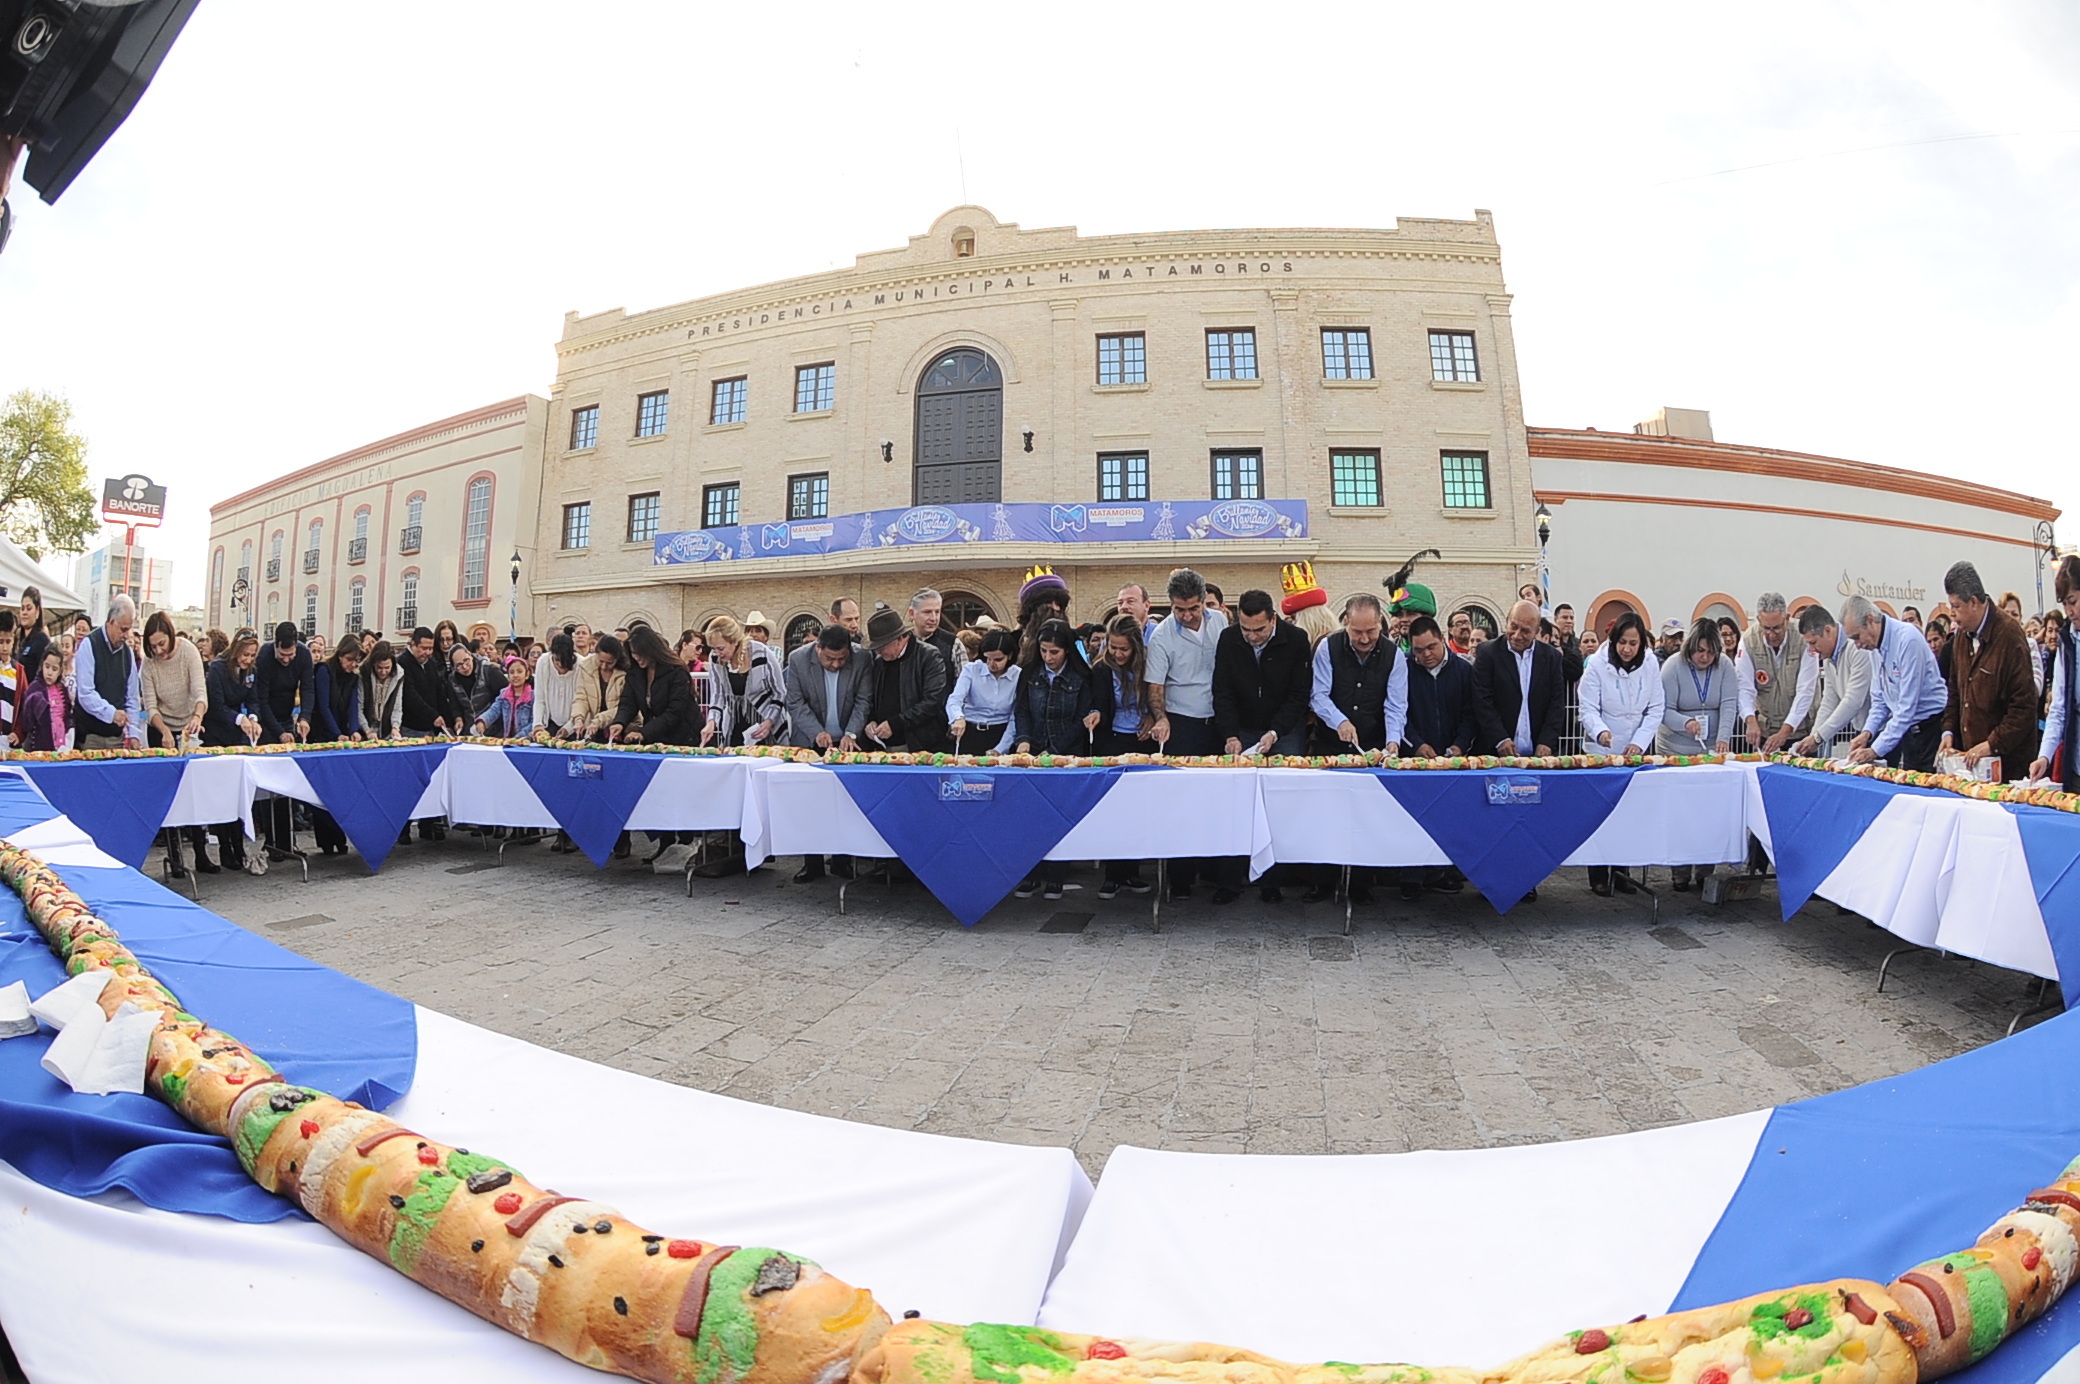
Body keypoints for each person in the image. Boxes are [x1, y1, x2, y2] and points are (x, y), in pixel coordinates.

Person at [1304, 592, 1406, 906]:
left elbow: (1396, 704)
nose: (1364, 639)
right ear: (1346, 623)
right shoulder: (1327, 647)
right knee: (1324, 814)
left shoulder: (1394, 655)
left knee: (1365, 815)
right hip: (1329, 743)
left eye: (1371, 632)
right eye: (1357, 632)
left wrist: (1393, 742)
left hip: (1371, 746)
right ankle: (1322, 881)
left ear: (1381, 626)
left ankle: (1361, 883)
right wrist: (1340, 721)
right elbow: (1318, 695)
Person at [1212, 589, 1311, 902]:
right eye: (1246, 629)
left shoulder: (1296, 640)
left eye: (1259, 629)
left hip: (1284, 728)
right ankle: (1230, 880)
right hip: (1240, 726)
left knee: (1280, 801)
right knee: (1234, 801)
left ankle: (1273, 880)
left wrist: (1275, 732)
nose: (1252, 636)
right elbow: (1222, 690)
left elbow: (1299, 695)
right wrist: (1230, 733)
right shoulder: (1229, 640)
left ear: (1274, 620)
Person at [1006, 619, 1095, 901]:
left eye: (1054, 652)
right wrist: (1023, 739)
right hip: (1031, 753)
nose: (1048, 657)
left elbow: (1080, 721)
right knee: (1028, 817)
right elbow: (1021, 710)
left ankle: (1057, 875)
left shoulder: (1081, 678)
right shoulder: (1030, 673)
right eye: (1044, 651)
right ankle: (1031, 875)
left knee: (1059, 815)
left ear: (1067, 650)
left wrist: (1055, 749)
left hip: (1065, 755)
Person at [1577, 612, 1662, 895]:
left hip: (1634, 748)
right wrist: (1600, 731)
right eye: (1622, 642)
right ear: (1613, 641)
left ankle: (1623, 870)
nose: (1627, 649)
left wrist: (1639, 741)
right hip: (1602, 747)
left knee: (1629, 811)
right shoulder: (1598, 665)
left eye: (1633, 643)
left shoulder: (1650, 664)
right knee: (1600, 812)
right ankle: (1598, 873)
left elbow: (1655, 708)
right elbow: (1587, 706)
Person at [783, 624, 875, 884]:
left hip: (848, 741)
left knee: (845, 802)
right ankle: (811, 863)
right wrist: (816, 732)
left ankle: (841, 860)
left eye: (841, 659)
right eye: (829, 659)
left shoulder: (862, 658)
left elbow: (863, 700)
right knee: (810, 804)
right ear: (818, 648)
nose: (836, 664)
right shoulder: (798, 659)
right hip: (810, 741)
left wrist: (852, 733)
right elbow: (795, 703)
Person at [1658, 618, 1738, 891]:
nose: (1705, 657)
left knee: (1708, 812)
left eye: (1711, 652)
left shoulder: (1725, 667)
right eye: (1700, 651)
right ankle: (1679, 870)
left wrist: (1724, 737)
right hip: (1676, 748)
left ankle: (1705, 867)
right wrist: (1684, 723)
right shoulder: (1672, 668)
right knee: (1680, 811)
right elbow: (1664, 709)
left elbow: (1729, 704)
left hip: (1711, 749)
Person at [1938, 560, 2040, 773]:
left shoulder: (2010, 636)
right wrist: (1948, 731)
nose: (1952, 614)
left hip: (2008, 766)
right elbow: (1955, 691)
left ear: (1974, 602)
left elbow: (2024, 707)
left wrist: (1992, 744)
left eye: (1956, 606)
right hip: (1972, 762)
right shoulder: (1961, 638)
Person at [140, 610, 212, 872]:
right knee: (168, 793)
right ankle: (175, 856)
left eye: (162, 643)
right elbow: (150, 705)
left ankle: (201, 852)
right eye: (153, 645)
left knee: (193, 790)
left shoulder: (189, 652)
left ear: (171, 637)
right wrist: (163, 731)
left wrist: (196, 716)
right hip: (161, 727)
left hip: (188, 725)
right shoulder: (148, 664)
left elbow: (200, 692)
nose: (158, 650)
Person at [1089, 614, 1155, 899]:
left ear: (1136, 648)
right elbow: (1099, 704)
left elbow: (1157, 700)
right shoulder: (1102, 669)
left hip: (1141, 743)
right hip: (1112, 742)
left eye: (1123, 649)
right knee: (1113, 811)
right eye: (1112, 647)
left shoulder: (1148, 666)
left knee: (1137, 811)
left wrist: (1153, 717)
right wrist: (1095, 715)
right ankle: (1111, 874)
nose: (1117, 654)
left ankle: (1132, 871)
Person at [1842, 595, 1948, 771]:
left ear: (1870, 620)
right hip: (1908, 733)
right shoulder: (1874, 648)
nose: (1858, 645)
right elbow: (1880, 701)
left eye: (1857, 637)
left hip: (1932, 730)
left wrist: (1875, 750)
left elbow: (1906, 708)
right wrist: (1867, 733)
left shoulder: (1908, 640)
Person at [203, 632, 265, 873]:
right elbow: (216, 706)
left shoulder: (251, 671)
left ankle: (238, 845)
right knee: (221, 794)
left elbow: (254, 699)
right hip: (217, 733)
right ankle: (224, 847)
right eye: (245, 654)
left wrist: (253, 717)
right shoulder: (218, 668)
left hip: (238, 736)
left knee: (238, 793)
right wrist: (240, 719)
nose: (248, 660)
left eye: (252, 656)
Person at [1473, 599, 1566, 759]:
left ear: (1537, 631)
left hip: (1538, 754)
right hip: (1495, 754)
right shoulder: (1488, 653)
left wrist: (1546, 741)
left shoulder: (1552, 658)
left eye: (1525, 631)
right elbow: (1482, 701)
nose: (1517, 635)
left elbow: (1556, 703)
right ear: (1507, 621)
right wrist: (1500, 739)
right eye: (1513, 627)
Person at [1787, 604, 1874, 757]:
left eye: (1813, 642)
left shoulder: (1857, 648)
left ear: (1828, 630)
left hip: (1880, 729)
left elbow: (1853, 700)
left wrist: (1819, 737)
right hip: (1863, 729)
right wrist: (1813, 736)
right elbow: (1829, 701)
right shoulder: (1828, 658)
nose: (1812, 650)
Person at [860, 607, 949, 752]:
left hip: (919, 744)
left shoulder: (928, 656)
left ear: (900, 638)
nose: (878, 651)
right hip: (883, 744)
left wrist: (895, 724)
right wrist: (872, 720)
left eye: (882, 646)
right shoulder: (879, 662)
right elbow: (875, 699)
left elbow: (932, 701)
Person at [2029, 556, 2080, 791]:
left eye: (2073, 601)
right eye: (2065, 604)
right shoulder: (2067, 641)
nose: (2069, 611)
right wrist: (2044, 756)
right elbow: (2058, 707)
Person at [694, 616, 783, 748]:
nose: (717, 653)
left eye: (721, 648)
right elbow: (717, 695)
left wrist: (769, 721)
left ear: (734, 641)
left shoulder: (762, 653)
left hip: (765, 726)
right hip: (734, 725)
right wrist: (711, 722)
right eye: (714, 649)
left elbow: (780, 692)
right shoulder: (715, 658)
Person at [1737, 594, 1810, 754]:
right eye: (1766, 628)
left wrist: (1785, 732)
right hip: (1765, 730)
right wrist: (1750, 720)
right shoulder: (1748, 640)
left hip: (1800, 732)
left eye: (1777, 628)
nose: (1771, 634)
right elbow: (1744, 687)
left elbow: (1805, 691)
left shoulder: (1805, 638)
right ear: (1758, 620)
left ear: (1787, 619)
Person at [73, 593, 144, 750]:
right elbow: (85, 693)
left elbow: (132, 698)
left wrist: (133, 735)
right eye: (123, 629)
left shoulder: (128, 654)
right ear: (111, 622)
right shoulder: (89, 645)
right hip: (90, 737)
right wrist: (111, 713)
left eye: (129, 629)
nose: (127, 636)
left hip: (116, 738)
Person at [943, 626, 1020, 755]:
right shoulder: (972, 669)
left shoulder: (1018, 675)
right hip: (970, 732)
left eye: (998, 659)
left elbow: (1016, 716)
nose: (992, 664)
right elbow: (955, 699)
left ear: (1010, 656)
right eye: (988, 658)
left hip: (1002, 733)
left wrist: (1000, 748)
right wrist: (958, 717)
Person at [569, 633, 627, 742]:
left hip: (619, 730)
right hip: (593, 730)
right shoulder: (586, 668)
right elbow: (581, 697)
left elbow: (625, 707)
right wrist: (578, 719)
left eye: (609, 663)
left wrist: (599, 720)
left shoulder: (625, 674)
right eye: (601, 661)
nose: (604, 667)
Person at [18, 647, 69, 754]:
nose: (49, 673)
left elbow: (67, 717)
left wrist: (70, 733)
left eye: (54, 669)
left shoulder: (62, 690)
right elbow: (26, 723)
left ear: (60, 671)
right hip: (39, 750)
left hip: (62, 748)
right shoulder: (34, 688)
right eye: (47, 667)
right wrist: (35, 702)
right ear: (42, 666)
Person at [473, 656, 536, 739]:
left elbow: (534, 722)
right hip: (507, 740)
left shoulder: (533, 696)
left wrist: (520, 736)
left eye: (519, 672)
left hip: (527, 742)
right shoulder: (504, 694)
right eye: (512, 672)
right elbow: (494, 710)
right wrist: (483, 721)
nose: (515, 675)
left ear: (527, 674)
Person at [533, 633, 578, 737]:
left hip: (575, 726)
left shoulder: (581, 665)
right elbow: (540, 698)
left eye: (565, 660)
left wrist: (569, 728)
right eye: (557, 660)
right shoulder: (543, 662)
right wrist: (538, 724)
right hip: (550, 723)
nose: (561, 665)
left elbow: (582, 702)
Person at [911, 587, 966, 672]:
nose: (933, 618)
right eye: (927, 612)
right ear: (912, 614)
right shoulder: (901, 643)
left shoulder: (953, 643)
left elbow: (963, 682)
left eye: (937, 612)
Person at [361, 640, 407, 739]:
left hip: (386, 732)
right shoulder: (364, 673)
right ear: (373, 664)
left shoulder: (399, 675)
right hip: (364, 732)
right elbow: (358, 707)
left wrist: (395, 727)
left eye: (387, 667)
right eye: (379, 667)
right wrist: (367, 730)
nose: (383, 672)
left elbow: (397, 706)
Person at [15, 587, 48, 692]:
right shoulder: (21, 640)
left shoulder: (42, 640)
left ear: (37, 611)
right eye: (22, 608)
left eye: (29, 608)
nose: (24, 612)